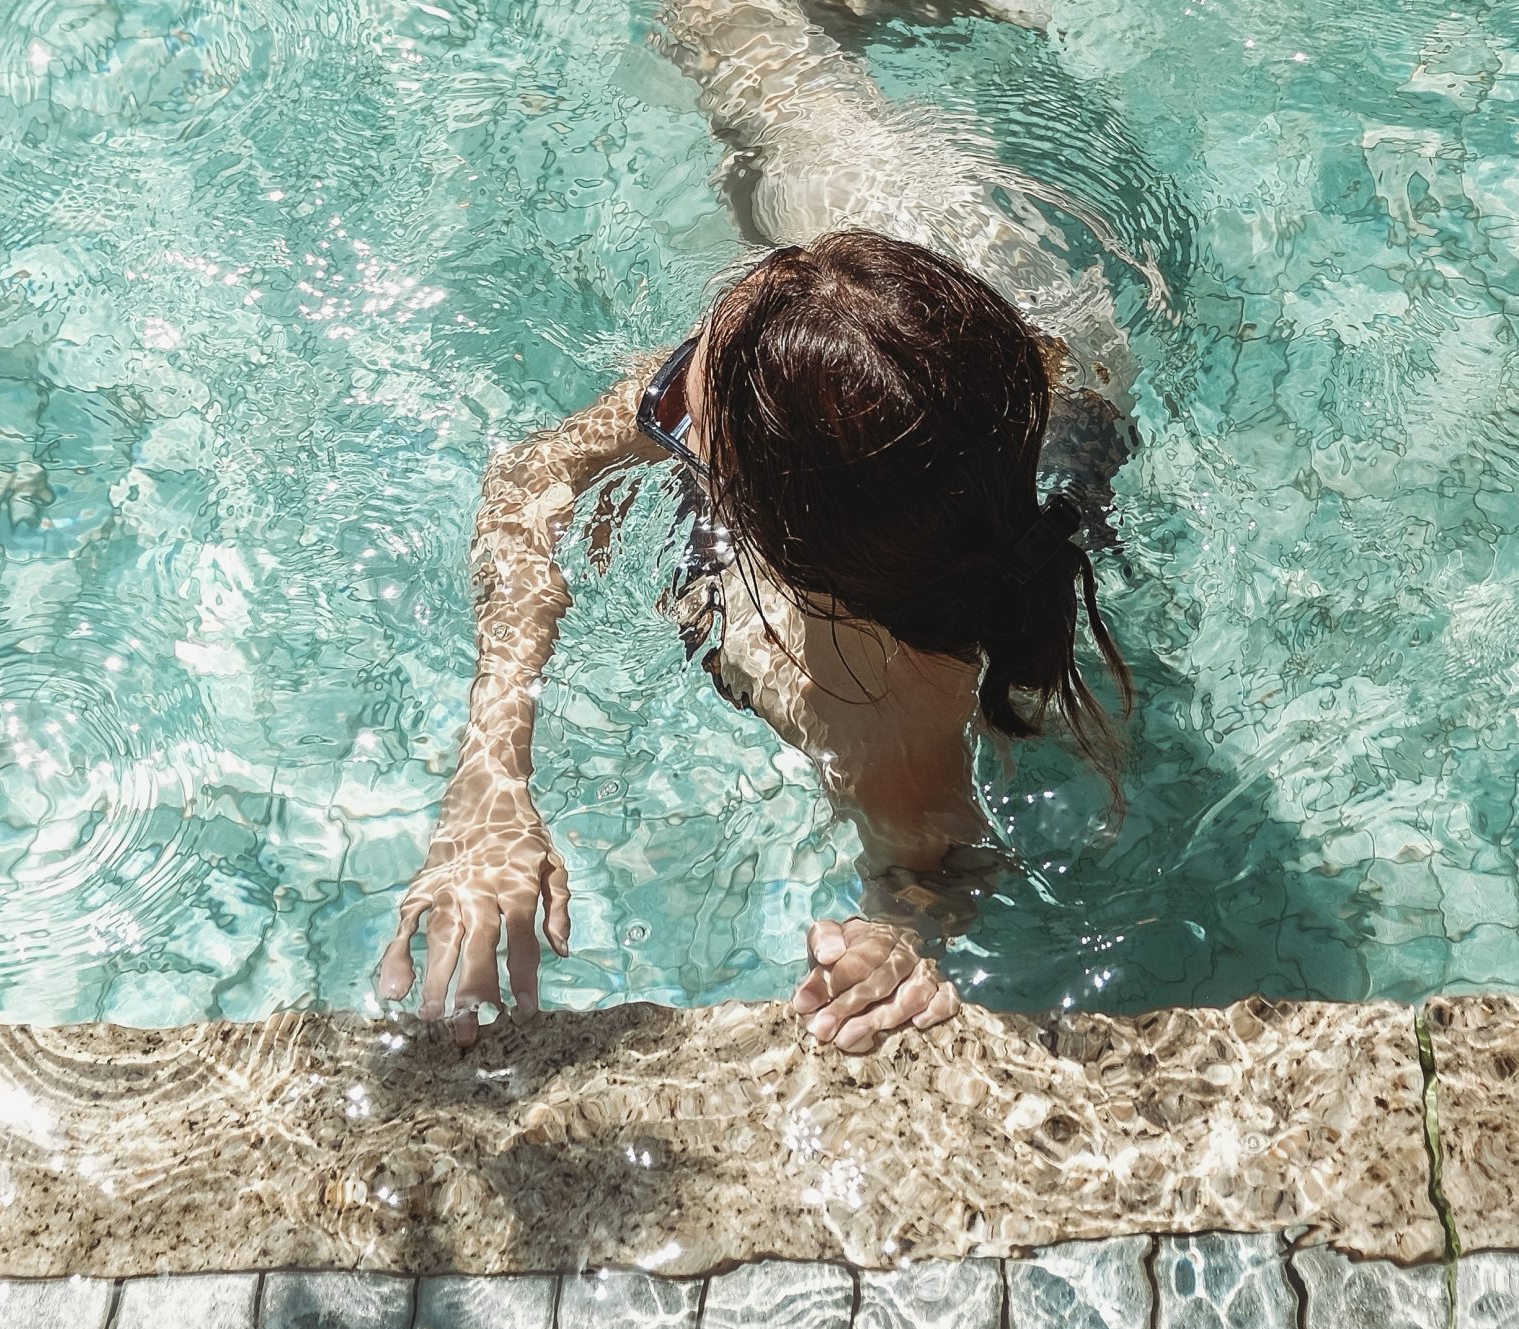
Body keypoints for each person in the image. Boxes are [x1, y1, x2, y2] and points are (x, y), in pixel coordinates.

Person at [377, 230, 1135, 1051]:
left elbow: (936, 869)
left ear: (772, 535)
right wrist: (491, 782)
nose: (652, 404)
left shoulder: (880, 724)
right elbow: (531, 477)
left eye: (676, 413)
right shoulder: (945, 395)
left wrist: (897, 941)